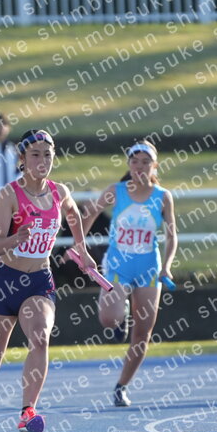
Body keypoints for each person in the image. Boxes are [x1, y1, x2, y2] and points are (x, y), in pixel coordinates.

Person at [0, 130, 97, 432]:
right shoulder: (9, 194)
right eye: (35, 154)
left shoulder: (59, 192)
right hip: (5, 281)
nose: (42, 160)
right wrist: (16, 238)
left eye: (47, 154)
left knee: (40, 337)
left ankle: (27, 411)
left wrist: (82, 250)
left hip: (39, 281)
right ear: (22, 159)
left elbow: (74, 214)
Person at [81, 140, 178, 407]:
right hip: (118, 265)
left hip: (148, 267)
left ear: (154, 166)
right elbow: (89, 214)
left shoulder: (163, 196)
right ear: (128, 165)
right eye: (135, 162)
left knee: (142, 334)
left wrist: (167, 265)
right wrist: (80, 247)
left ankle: (121, 385)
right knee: (108, 319)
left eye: (145, 162)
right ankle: (120, 314)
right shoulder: (116, 191)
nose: (139, 167)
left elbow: (172, 236)